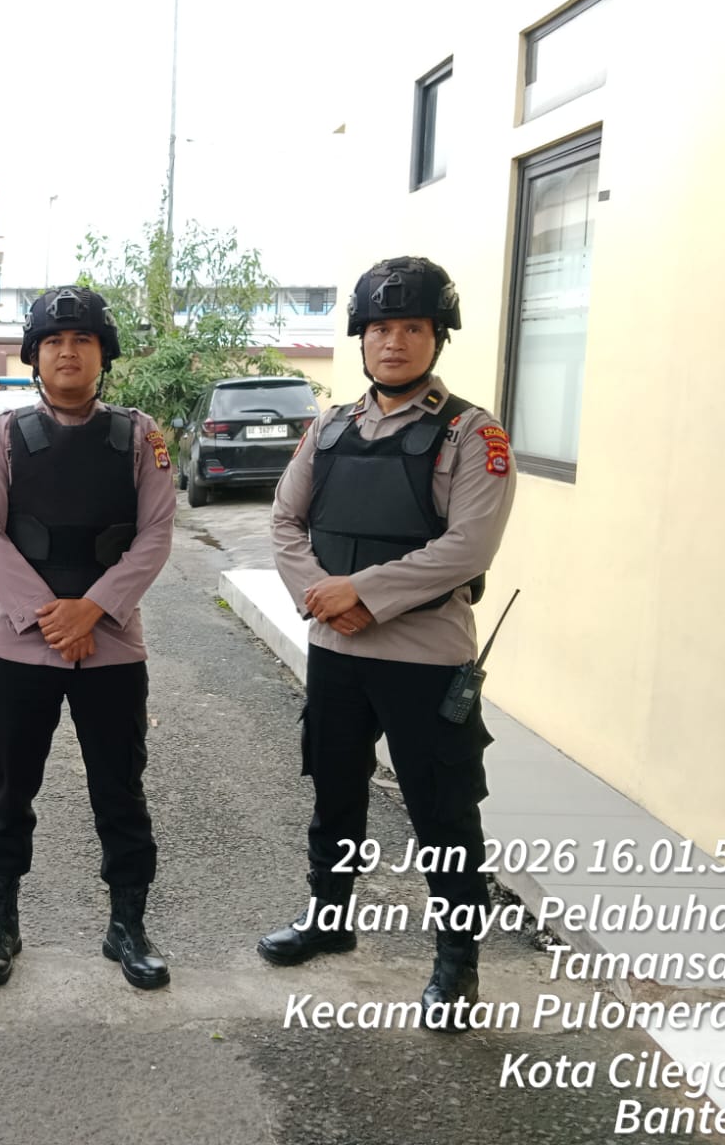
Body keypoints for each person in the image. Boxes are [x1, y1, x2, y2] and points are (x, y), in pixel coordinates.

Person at [260, 256, 517, 1031]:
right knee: (334, 795)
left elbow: (468, 547)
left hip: (425, 661)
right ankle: (329, 917)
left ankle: (457, 963)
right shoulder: (331, 426)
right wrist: (322, 594)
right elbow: (285, 521)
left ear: (437, 337)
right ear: (362, 338)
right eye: (379, 328)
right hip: (337, 654)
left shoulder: (472, 433)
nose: (394, 342)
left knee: (443, 814)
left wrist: (362, 595)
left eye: (411, 327)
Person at [0, 285, 176, 990]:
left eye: (82, 340)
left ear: (103, 354)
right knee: (9, 792)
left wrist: (94, 609)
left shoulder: (140, 437)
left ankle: (128, 927)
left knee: (121, 792)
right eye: (53, 341)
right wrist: (50, 615)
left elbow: (155, 535)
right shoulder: (1, 437)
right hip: (21, 646)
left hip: (111, 648)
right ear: (34, 356)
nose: (68, 351)